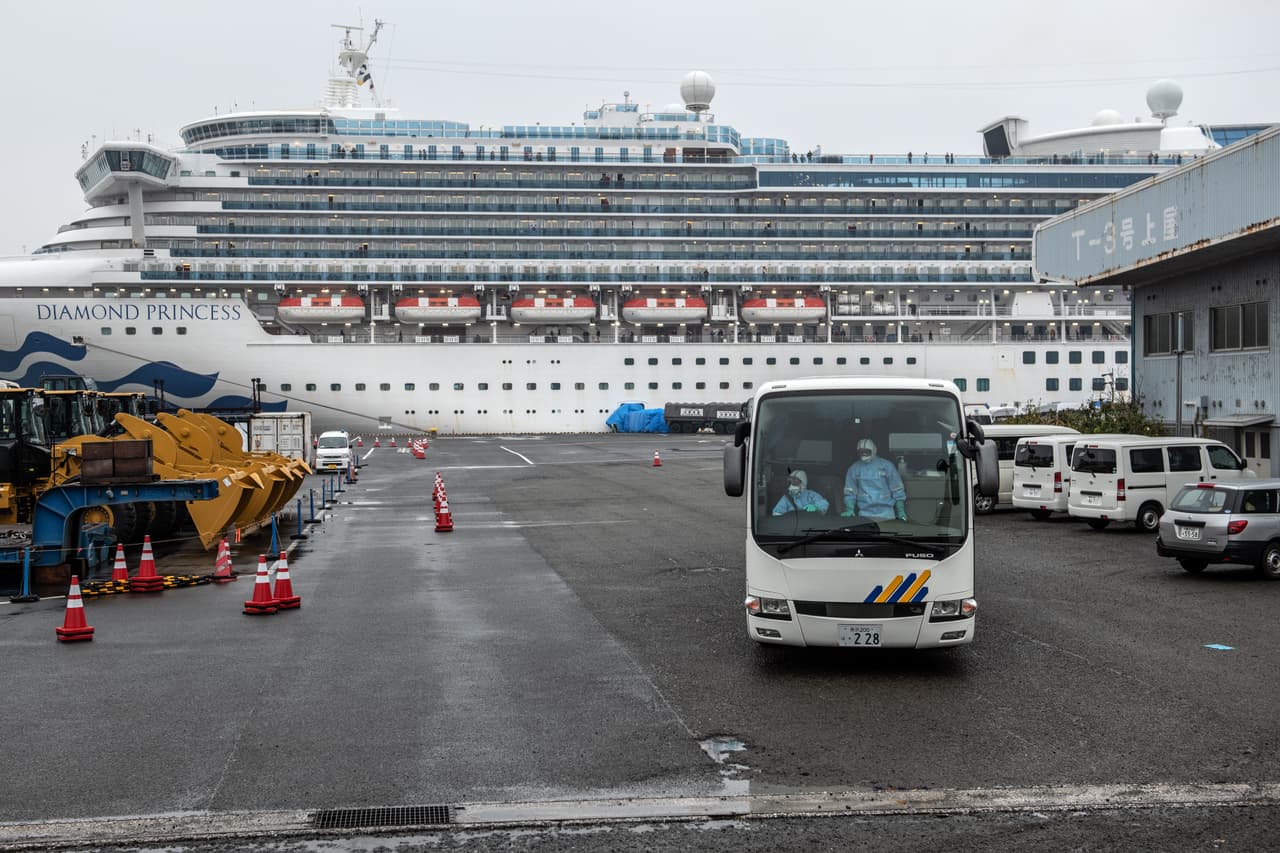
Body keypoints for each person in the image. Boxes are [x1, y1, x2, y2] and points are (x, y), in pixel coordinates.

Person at [842, 438, 907, 521]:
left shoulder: (886, 466)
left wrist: (901, 511)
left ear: (873, 450)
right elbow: (850, 491)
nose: (864, 454)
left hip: (887, 513)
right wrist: (849, 509)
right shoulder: (854, 469)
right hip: (864, 513)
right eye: (861, 452)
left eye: (867, 451)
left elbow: (897, 488)